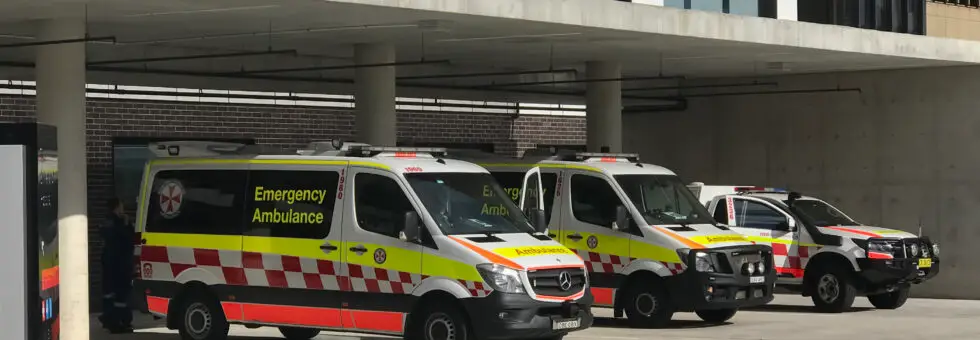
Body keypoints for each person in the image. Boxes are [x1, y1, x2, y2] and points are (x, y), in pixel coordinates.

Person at [99, 197, 135, 334]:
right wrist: (127, 223)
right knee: (121, 295)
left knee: (109, 294)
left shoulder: (105, 222)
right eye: (121, 206)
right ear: (117, 207)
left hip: (108, 263)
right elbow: (129, 239)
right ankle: (120, 322)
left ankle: (110, 319)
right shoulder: (119, 223)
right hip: (120, 264)